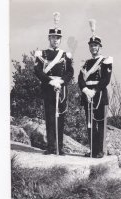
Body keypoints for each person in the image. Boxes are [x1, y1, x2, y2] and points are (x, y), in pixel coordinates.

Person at [34, 12, 74, 155]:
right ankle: (51, 147)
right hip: (48, 88)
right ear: (49, 38)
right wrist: (51, 81)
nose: (55, 40)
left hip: (61, 89)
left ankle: (60, 148)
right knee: (50, 117)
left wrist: (61, 81)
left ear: (60, 39)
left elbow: (70, 72)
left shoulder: (65, 55)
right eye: (53, 37)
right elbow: (38, 71)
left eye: (58, 38)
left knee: (61, 117)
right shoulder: (42, 54)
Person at [78, 19, 113, 158]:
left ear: (99, 47)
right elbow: (80, 78)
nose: (93, 48)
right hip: (87, 95)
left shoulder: (105, 61)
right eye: (91, 46)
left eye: (95, 45)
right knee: (89, 123)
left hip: (99, 95)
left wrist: (94, 90)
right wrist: (85, 90)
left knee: (100, 123)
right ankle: (92, 150)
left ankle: (100, 151)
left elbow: (106, 79)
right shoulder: (86, 63)